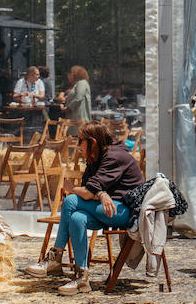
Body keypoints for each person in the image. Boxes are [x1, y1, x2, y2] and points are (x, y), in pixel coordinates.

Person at [26, 121, 144, 294]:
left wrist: (74, 189)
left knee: (71, 200)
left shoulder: (113, 156)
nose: (77, 144)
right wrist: (100, 194)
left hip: (127, 211)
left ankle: (56, 255)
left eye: (80, 140)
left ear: (93, 142)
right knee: (77, 217)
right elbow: (89, 190)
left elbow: (86, 192)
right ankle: (81, 277)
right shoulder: (95, 157)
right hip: (107, 208)